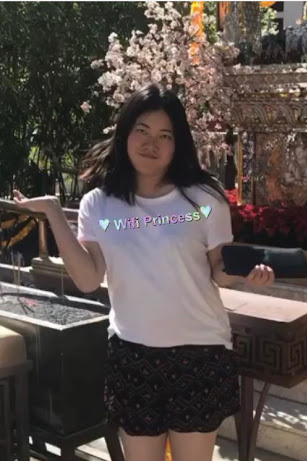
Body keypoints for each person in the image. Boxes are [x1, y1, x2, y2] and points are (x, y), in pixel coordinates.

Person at [13, 82, 275, 461]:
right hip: (132, 355)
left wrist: (246, 275)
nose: (152, 144)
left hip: (199, 352)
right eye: (143, 131)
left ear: (177, 143)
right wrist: (53, 212)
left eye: (165, 135)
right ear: (125, 133)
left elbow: (219, 271)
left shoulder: (203, 199)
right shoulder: (99, 205)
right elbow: (88, 279)